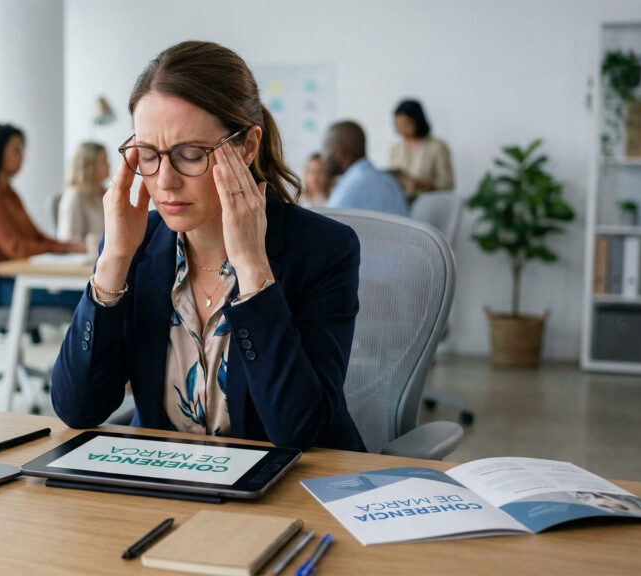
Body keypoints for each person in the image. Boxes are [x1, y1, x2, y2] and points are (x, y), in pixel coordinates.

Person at [50, 41, 366, 452]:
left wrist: (253, 271)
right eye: (148, 155)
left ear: (247, 147)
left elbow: (299, 432)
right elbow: (77, 408)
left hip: (290, 495)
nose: (164, 181)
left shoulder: (324, 250)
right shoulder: (137, 249)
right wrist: (113, 261)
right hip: (168, 487)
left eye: (190, 155)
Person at [0, 122, 84, 308]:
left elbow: (36, 237)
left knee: (94, 294)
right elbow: (17, 249)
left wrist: (68, 245)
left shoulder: (9, 193)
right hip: (7, 288)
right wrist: (62, 249)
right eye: (16, 150)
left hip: (24, 280)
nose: (22, 156)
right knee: (88, 300)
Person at [323, 120, 409, 216]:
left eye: (325, 148)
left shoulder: (351, 185)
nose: (323, 156)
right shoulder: (388, 180)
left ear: (339, 150)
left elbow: (326, 227)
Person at [388, 99, 454, 200]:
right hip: (401, 201)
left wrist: (422, 184)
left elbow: (448, 184)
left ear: (417, 121)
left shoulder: (437, 146)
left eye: (405, 124)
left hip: (428, 202)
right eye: (398, 125)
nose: (401, 129)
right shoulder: (395, 148)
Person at [57, 141, 108, 246]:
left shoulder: (106, 192)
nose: (109, 165)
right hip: (87, 259)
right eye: (103, 161)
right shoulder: (74, 196)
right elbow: (68, 240)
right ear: (89, 165)